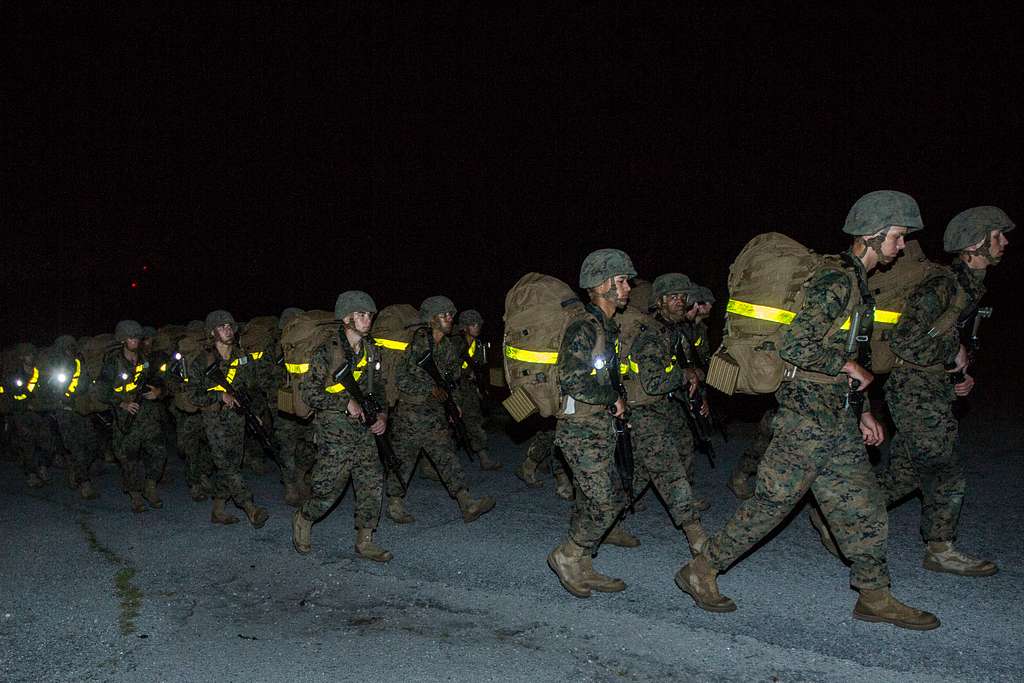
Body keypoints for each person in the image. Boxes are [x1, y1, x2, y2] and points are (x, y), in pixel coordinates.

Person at [675, 190, 940, 630]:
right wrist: (848, 367)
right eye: (897, 236)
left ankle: (874, 595)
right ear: (873, 236)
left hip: (835, 414)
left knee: (865, 504)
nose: (902, 245)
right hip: (805, 416)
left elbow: (852, 356)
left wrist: (864, 411)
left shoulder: (857, 283)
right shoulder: (836, 280)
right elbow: (797, 345)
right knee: (772, 503)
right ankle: (700, 570)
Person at [877, 205, 1012, 577]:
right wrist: (951, 354)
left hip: (933, 387)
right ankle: (940, 550)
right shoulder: (943, 285)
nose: (1005, 242)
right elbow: (906, 341)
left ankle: (839, 514)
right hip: (913, 388)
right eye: (997, 236)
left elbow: (952, 341)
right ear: (974, 245)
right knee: (945, 470)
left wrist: (959, 375)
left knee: (905, 473)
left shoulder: (971, 288)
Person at [546, 248, 636, 598]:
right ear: (601, 285)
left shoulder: (604, 326)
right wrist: (610, 397)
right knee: (605, 503)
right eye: (621, 280)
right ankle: (566, 556)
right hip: (579, 430)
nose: (627, 287)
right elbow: (571, 378)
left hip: (597, 427)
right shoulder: (584, 327)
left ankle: (582, 564)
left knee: (590, 500)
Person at [292, 291, 392, 561]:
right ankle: (304, 517)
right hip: (335, 431)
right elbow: (309, 393)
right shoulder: (326, 351)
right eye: (361, 314)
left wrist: (382, 416)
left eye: (369, 315)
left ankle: (365, 540)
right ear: (346, 318)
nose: (367, 319)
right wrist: (344, 403)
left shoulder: (372, 350)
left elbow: (379, 388)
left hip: (365, 430)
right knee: (328, 489)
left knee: (371, 482)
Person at [384, 296, 496, 525]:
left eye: (450, 314)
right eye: (443, 315)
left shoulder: (446, 346)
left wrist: (453, 403)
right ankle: (394, 504)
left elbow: (451, 380)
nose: (449, 319)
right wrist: (429, 389)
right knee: (404, 461)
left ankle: (466, 503)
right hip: (410, 414)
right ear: (430, 318)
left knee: (447, 456)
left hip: (435, 414)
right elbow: (401, 380)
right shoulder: (416, 343)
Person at [184, 310, 269, 528]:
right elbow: (192, 394)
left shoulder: (241, 357)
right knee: (228, 466)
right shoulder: (201, 361)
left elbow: (253, 387)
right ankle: (250, 507)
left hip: (238, 419)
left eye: (230, 326)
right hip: (214, 421)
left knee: (231, 465)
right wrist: (219, 396)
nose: (228, 330)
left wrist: (255, 414)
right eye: (222, 327)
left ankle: (218, 510)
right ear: (212, 332)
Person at [96, 320, 167, 513]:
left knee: (159, 452)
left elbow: (162, 382)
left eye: (137, 337)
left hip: (148, 415)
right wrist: (122, 403)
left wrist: (158, 392)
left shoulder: (146, 361)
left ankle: (150, 486)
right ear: (122, 340)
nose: (135, 340)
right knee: (128, 459)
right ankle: (135, 495)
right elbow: (100, 391)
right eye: (131, 337)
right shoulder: (112, 363)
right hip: (125, 417)